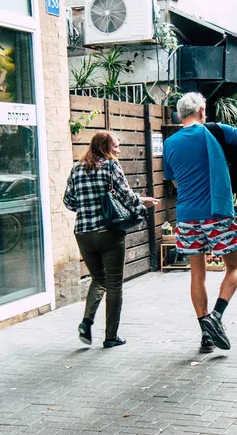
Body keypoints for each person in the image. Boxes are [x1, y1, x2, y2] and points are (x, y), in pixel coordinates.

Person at [162, 92, 237, 353]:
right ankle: (216, 316)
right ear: (202, 110)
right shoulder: (215, 130)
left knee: (198, 274)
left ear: (180, 115)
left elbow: (174, 181)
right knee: (235, 266)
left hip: (186, 217)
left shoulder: (170, 143)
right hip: (217, 213)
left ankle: (206, 335)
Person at [63, 131, 159, 348]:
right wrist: (143, 206)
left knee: (99, 279)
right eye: (116, 146)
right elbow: (126, 195)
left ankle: (86, 323)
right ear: (105, 147)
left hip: (83, 233)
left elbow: (68, 201)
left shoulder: (76, 168)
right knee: (114, 285)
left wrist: (87, 209)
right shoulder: (110, 166)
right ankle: (110, 337)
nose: (118, 150)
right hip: (109, 233)